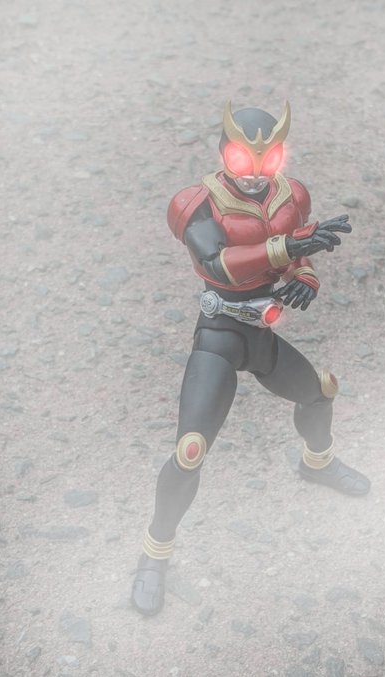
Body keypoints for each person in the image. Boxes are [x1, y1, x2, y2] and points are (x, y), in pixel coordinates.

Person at [132, 101, 370, 616]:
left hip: (262, 333)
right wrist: (288, 246)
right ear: (224, 152)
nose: (257, 172)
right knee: (190, 450)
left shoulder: (291, 195)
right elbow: (220, 262)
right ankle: (155, 553)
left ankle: (318, 463)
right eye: (243, 159)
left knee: (320, 392)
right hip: (220, 335)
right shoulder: (195, 203)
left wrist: (306, 275)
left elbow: (296, 254)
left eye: (270, 159)